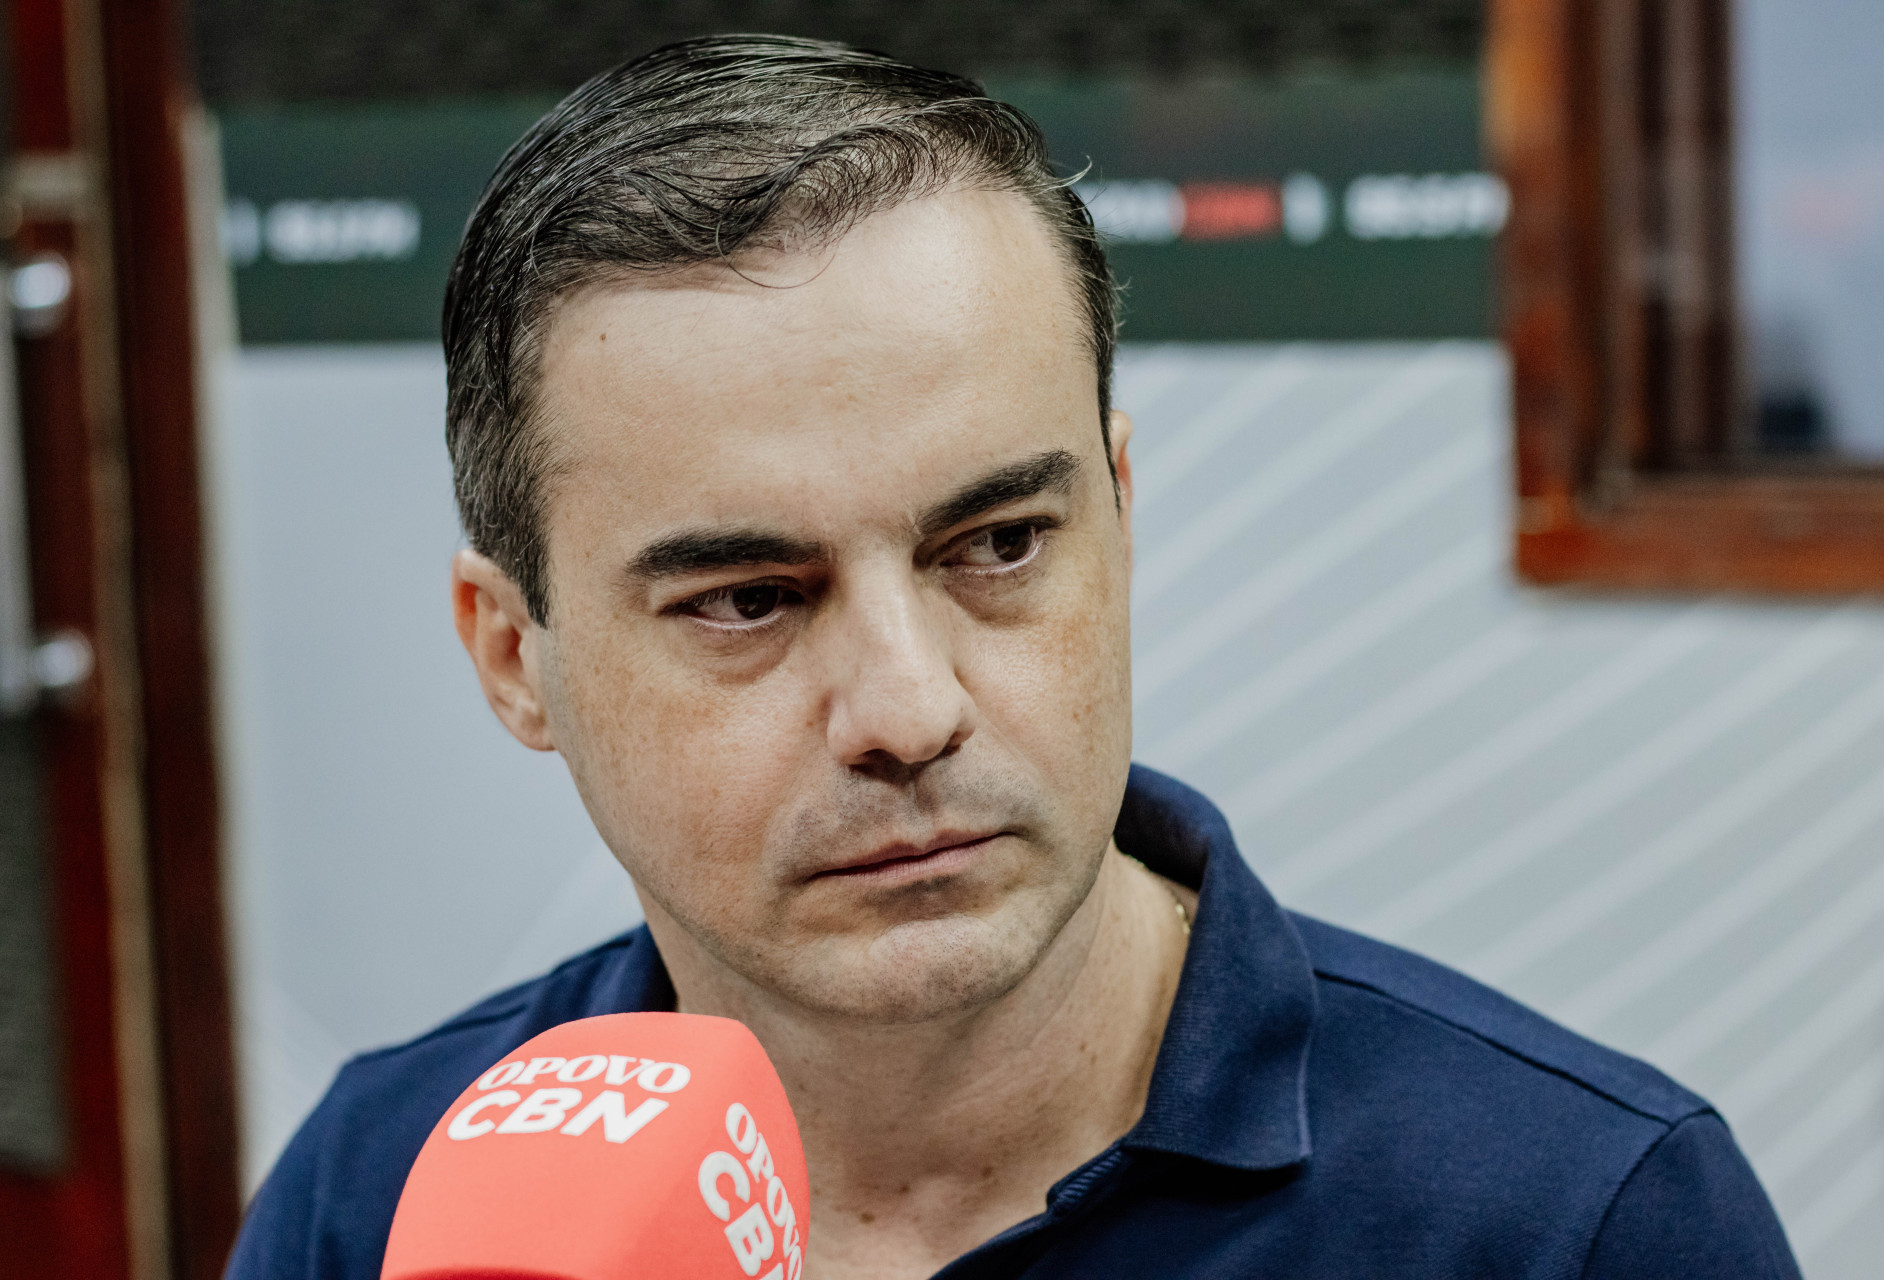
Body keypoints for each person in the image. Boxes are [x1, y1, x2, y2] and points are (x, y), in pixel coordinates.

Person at [228, 35, 1801, 1280]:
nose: (911, 712)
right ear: (514, 658)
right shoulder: (387, 1188)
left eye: (997, 547)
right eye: (749, 599)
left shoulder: (1573, 1220)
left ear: (1118, 513)